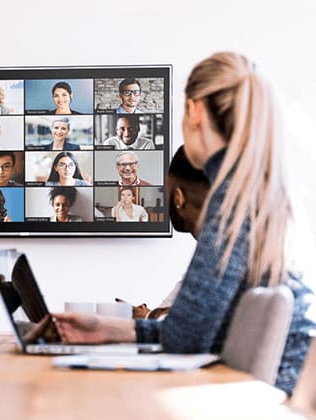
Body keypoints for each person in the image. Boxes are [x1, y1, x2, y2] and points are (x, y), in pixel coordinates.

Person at [52, 52, 316, 395]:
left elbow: (187, 338)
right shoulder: (257, 191)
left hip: (267, 397)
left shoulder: (231, 200)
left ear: (194, 111)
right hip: (280, 391)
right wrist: (105, 329)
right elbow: (198, 329)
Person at [131, 145, 211, 319]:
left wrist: (149, 317)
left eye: (166, 191)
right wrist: (150, 316)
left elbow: (184, 325)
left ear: (178, 198)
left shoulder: (213, 260)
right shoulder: (212, 253)